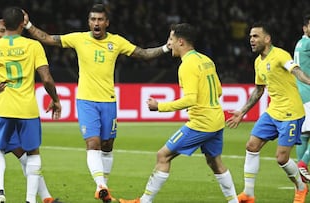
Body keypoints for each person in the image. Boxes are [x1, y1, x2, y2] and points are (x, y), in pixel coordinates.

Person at [23, 4, 170, 202]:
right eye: (93, 19)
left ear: (107, 22)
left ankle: (105, 190)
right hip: (86, 100)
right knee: (93, 143)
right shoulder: (79, 38)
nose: (96, 23)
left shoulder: (116, 42)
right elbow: (48, 39)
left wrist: (166, 48)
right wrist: (28, 25)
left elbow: (143, 54)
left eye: (100, 19)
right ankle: (101, 186)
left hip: (108, 101)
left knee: (108, 145)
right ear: (89, 22)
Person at [119, 23, 238, 203]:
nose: (169, 44)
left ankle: (144, 201)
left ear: (181, 42)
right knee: (215, 162)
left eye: (171, 39)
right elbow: (219, 90)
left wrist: (160, 106)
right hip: (216, 120)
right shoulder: (206, 59)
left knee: (163, 155)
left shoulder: (187, 65)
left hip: (201, 123)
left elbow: (190, 99)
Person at [0, 19, 63, 203]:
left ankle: (47, 198)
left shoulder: (12, 51)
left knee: (26, 158)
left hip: (2, 113)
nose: (4, 34)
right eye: (0, 31)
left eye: (5, 30)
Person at [226, 21, 310, 203]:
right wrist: (242, 111)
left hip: (291, 112)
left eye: (255, 36)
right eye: (250, 37)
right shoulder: (258, 62)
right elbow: (258, 90)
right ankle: (248, 193)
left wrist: (309, 81)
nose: (251, 40)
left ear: (267, 38)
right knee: (251, 146)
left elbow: (296, 71)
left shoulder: (280, 55)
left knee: (281, 158)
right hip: (273, 112)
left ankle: (301, 188)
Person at [294, 14, 310, 183]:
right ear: (305, 28)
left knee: (305, 134)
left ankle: (301, 181)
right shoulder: (308, 44)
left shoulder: (300, 43)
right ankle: (303, 164)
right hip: (309, 92)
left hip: (301, 93)